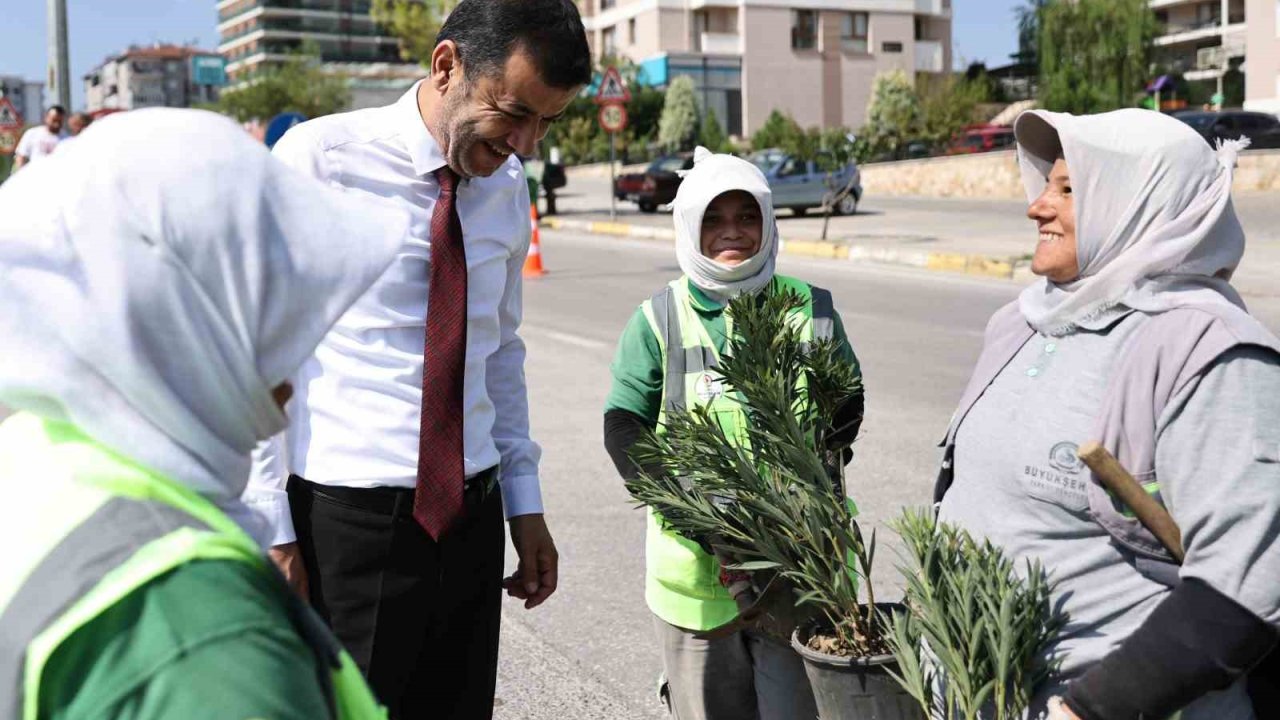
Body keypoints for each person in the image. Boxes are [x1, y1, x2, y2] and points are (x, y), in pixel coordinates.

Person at [0, 108, 412, 718]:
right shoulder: (212, 650)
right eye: (276, 318)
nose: (298, 370)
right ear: (188, 327)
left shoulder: (42, 446)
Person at [242, 1, 591, 717]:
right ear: (446, 64)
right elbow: (256, 355)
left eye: (547, 124)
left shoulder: (506, 186)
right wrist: (270, 530)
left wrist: (524, 501)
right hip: (349, 527)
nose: (526, 142)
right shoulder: (317, 162)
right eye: (513, 112)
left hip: (470, 516)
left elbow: (499, 351)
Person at [935, 109, 1280, 720]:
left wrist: (1091, 709)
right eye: (1047, 183)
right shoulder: (1025, 320)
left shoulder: (1208, 350)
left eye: (1069, 190)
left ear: (1140, 203)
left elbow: (1245, 586)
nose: (1037, 206)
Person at [603, 147, 865, 720]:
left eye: (748, 217)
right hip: (695, 583)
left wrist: (790, 507)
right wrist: (706, 521)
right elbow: (624, 426)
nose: (733, 233)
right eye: (714, 219)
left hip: (801, 570)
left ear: (768, 223)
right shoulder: (658, 318)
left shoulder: (811, 308)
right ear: (689, 225)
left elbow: (845, 412)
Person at [14, 105, 64, 170]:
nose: (56, 124)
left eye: (59, 121)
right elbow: (21, 156)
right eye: (54, 120)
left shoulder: (66, 138)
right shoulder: (32, 133)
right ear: (46, 118)